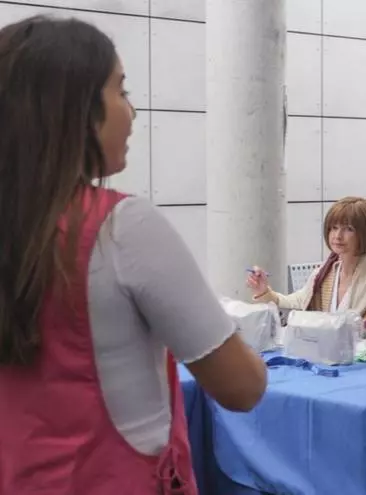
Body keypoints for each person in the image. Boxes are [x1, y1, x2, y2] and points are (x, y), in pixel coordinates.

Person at [0, 16, 267, 494]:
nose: (133, 110)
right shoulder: (122, 227)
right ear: (73, 107)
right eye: (120, 90)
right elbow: (242, 387)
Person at [249, 197, 366, 337]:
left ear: (365, 233)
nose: (338, 236)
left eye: (348, 229)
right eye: (334, 228)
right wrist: (264, 292)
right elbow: (298, 305)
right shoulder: (325, 273)